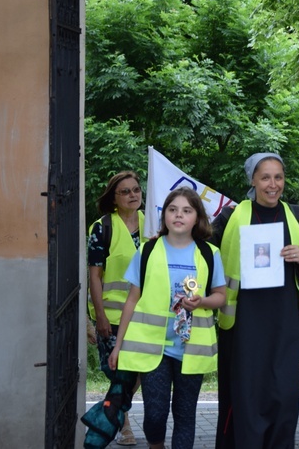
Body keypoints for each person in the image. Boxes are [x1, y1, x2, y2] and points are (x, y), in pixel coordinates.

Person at [212, 152, 299, 449]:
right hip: (243, 323)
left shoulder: (298, 216)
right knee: (246, 397)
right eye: (265, 177)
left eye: (278, 177)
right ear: (252, 180)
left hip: (288, 324)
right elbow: (204, 260)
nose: (273, 184)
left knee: (284, 395)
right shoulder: (230, 217)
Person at [109, 187, 227, 449]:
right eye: (173, 210)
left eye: (187, 210)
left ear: (197, 217)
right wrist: (118, 346)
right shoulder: (148, 250)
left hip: (191, 348)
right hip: (153, 349)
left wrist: (202, 302)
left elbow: (221, 296)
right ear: (164, 216)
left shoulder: (210, 253)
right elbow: (132, 300)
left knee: (185, 415)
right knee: (154, 413)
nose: (179, 215)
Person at [87, 170, 147, 446]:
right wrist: (99, 316)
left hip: (146, 316)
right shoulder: (102, 227)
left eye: (136, 189)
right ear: (114, 198)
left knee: (134, 374)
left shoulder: (155, 225)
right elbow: (95, 275)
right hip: (111, 315)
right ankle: (121, 428)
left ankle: (103, 418)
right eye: (126, 191)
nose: (133, 195)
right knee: (119, 374)